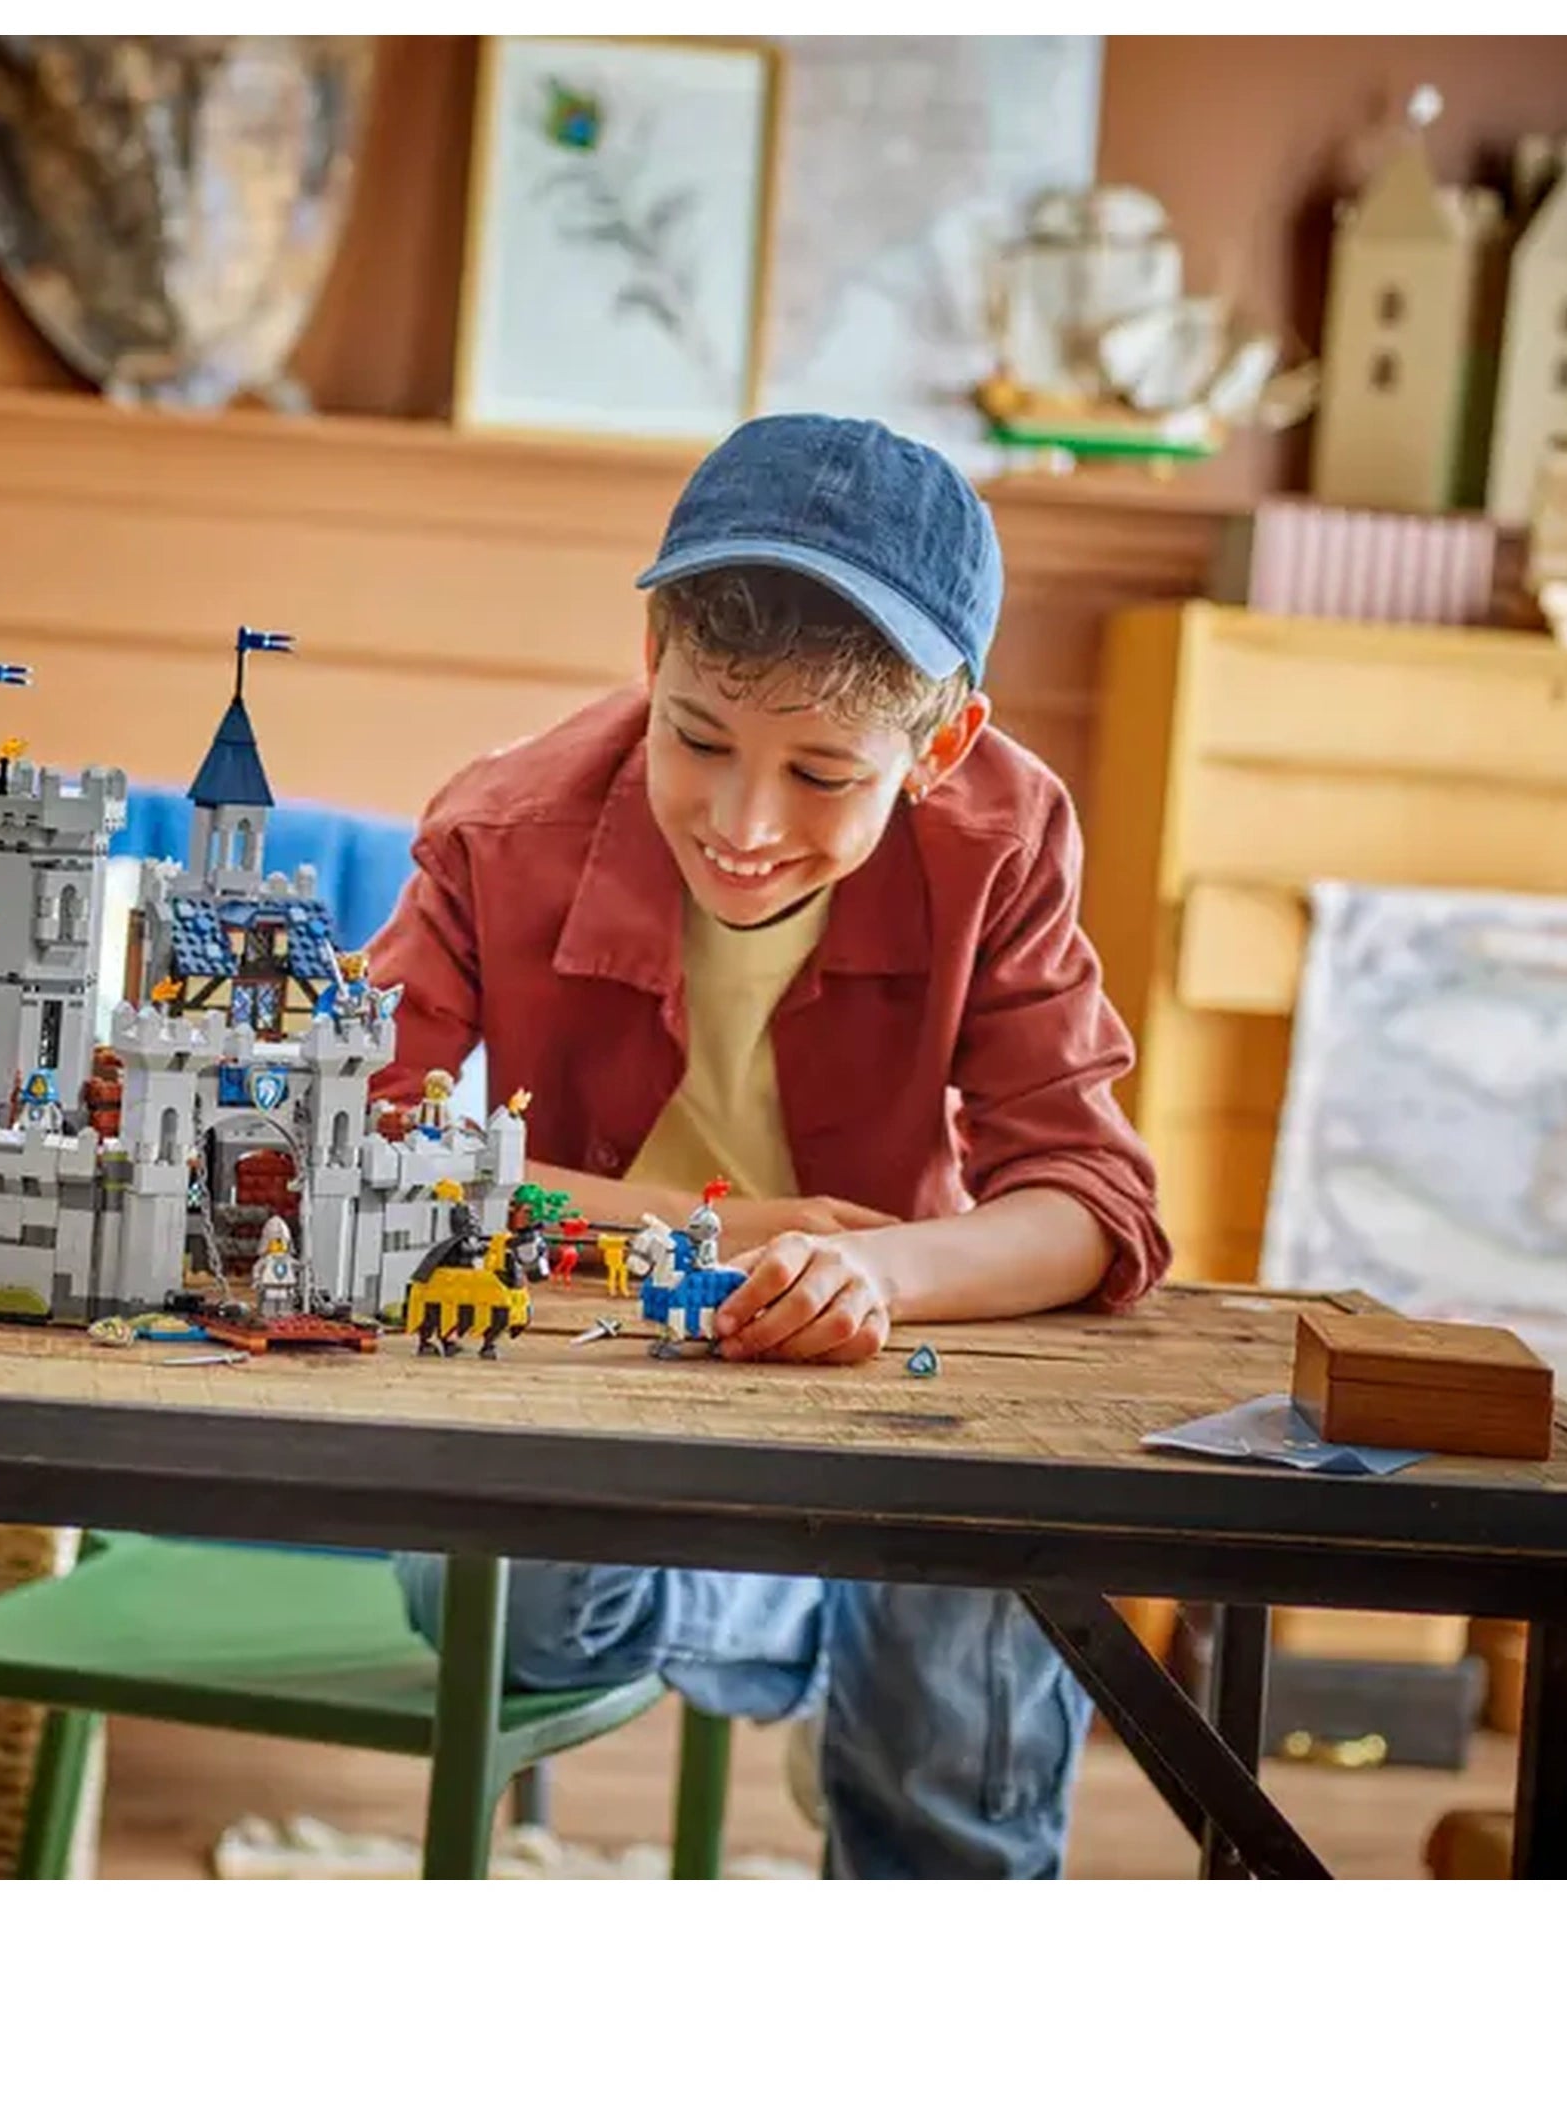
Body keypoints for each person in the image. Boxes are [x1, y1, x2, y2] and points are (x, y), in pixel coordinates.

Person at [364, 411, 1170, 1879]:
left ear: (944, 745)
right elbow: (347, 1147)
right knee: (517, 1610)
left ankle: (886, 1670)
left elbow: (1090, 1203)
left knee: (970, 1621)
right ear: (650, 672)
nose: (743, 823)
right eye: (698, 740)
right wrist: (718, 1232)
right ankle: (819, 1609)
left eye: (822, 775)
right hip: (579, 1365)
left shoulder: (1005, 837)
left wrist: (879, 1278)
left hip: (883, 1377)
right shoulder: (504, 824)